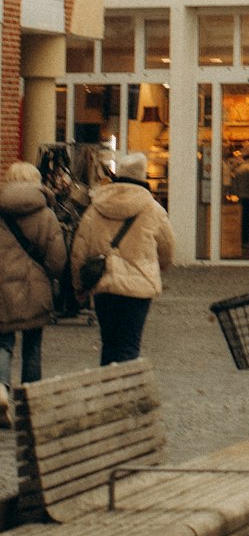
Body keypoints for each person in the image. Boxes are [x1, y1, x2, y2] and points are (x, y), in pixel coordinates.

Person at [71, 150, 175, 366]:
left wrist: (79, 285)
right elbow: (167, 250)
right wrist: (160, 265)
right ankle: (124, 395)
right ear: (143, 176)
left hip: (104, 285)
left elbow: (79, 250)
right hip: (138, 287)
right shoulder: (153, 209)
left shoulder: (96, 206)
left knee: (109, 344)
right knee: (129, 345)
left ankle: (107, 393)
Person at [0, 161, 67, 426]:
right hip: (35, 288)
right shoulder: (46, 215)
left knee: (3, 344)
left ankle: (1, 389)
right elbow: (56, 258)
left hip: (1, 291)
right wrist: (51, 276)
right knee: (32, 346)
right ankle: (30, 405)